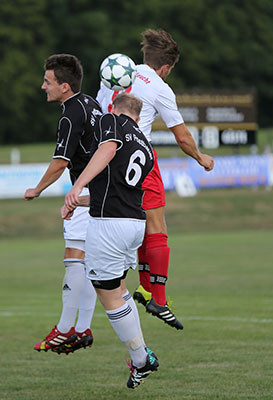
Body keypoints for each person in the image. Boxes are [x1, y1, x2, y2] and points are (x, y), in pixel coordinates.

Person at [97, 28, 215, 329]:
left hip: (108, 160)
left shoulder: (119, 72)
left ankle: (145, 287)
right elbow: (182, 135)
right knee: (157, 227)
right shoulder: (159, 86)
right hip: (139, 156)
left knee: (139, 223)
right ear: (166, 67)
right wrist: (201, 158)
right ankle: (159, 300)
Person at [62, 93, 158, 389]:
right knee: (118, 287)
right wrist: (79, 203)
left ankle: (142, 360)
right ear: (139, 117)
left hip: (110, 225)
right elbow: (115, 190)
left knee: (108, 294)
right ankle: (143, 353)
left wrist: (76, 187)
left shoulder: (110, 121)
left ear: (113, 108)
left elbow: (107, 148)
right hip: (134, 223)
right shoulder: (145, 143)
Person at [24, 54, 103, 354]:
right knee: (91, 264)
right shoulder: (91, 103)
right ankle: (81, 329)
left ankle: (65, 327)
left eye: (48, 81)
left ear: (65, 86)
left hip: (88, 192)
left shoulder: (70, 114)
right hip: (99, 194)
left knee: (74, 257)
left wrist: (38, 189)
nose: (42, 86)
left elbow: (61, 163)